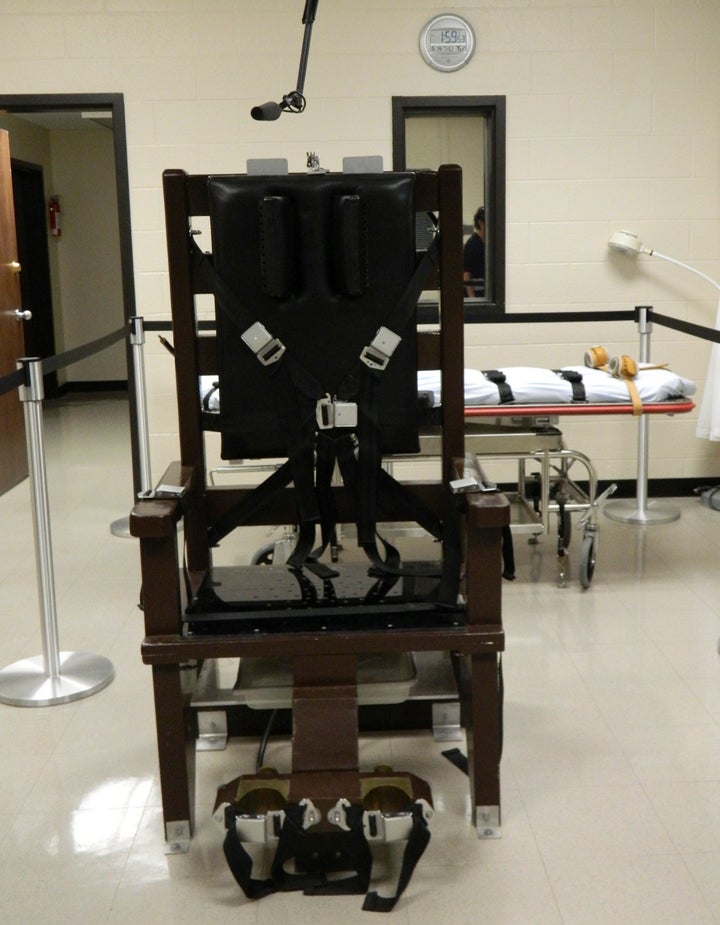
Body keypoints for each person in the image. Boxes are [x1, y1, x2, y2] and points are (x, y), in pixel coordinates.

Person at [463, 205, 485, 297]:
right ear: (480, 223)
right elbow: (466, 273)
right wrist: (472, 298)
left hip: (486, 293)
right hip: (475, 293)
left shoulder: (490, 245)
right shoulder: (472, 244)